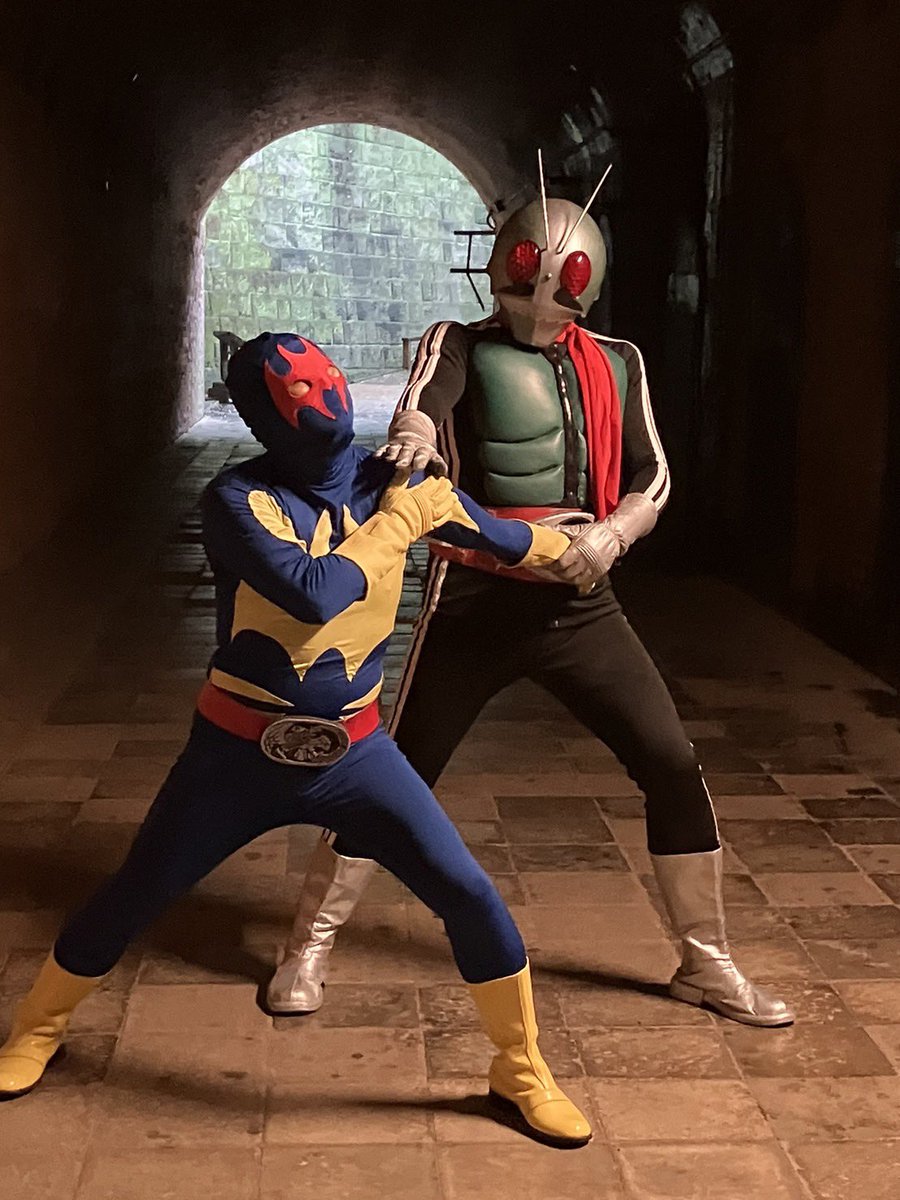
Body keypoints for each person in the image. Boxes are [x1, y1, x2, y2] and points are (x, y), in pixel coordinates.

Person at [0, 332, 594, 1148]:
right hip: (236, 752)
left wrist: (587, 546)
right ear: (260, 412)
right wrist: (403, 519)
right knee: (136, 890)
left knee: (467, 892)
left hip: (357, 754)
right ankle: (37, 1029)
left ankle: (519, 1069)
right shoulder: (237, 499)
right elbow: (315, 593)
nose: (320, 395)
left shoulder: (397, 481)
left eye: (322, 375)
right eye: (294, 387)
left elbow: (500, 535)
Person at [272, 193, 796, 1030]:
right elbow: (426, 401)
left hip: (581, 599)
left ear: (587, 287)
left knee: (670, 761)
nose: (540, 303)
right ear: (500, 273)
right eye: (524, 283)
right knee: (392, 772)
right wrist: (415, 435)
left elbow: (653, 473)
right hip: (473, 598)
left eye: (559, 288)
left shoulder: (618, 360)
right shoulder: (458, 343)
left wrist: (614, 536)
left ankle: (705, 961)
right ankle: (310, 942)